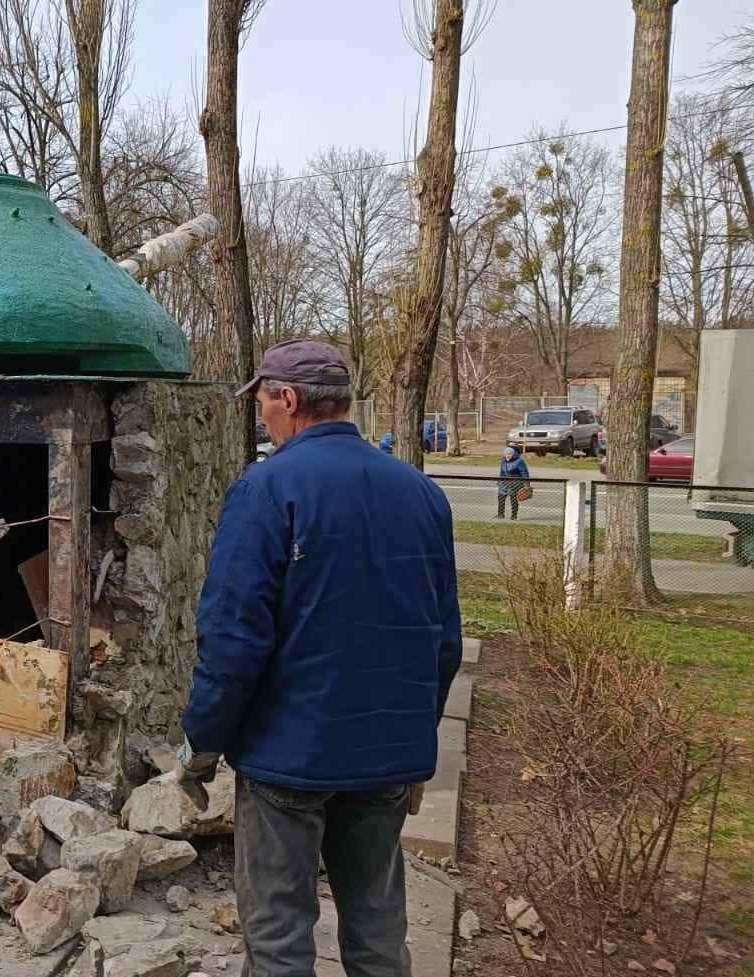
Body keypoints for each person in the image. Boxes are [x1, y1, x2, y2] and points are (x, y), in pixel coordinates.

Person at [178, 338, 462, 977]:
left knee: (279, 938)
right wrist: (415, 740)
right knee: (379, 932)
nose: (261, 419)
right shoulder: (421, 494)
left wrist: (202, 739)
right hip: (386, 759)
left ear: (289, 399)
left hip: (289, 761)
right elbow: (444, 637)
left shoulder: (266, 489)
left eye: (263, 404)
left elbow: (232, 638)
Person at [497, 446, 530, 520]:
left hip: (515, 482)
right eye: (506, 454)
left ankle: (514, 516)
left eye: (509, 454)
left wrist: (527, 484)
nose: (507, 455)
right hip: (504, 482)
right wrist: (499, 480)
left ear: (513, 454)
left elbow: (524, 473)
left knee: (513, 499)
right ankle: (500, 514)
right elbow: (502, 471)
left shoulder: (519, 461)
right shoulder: (503, 460)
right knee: (500, 497)